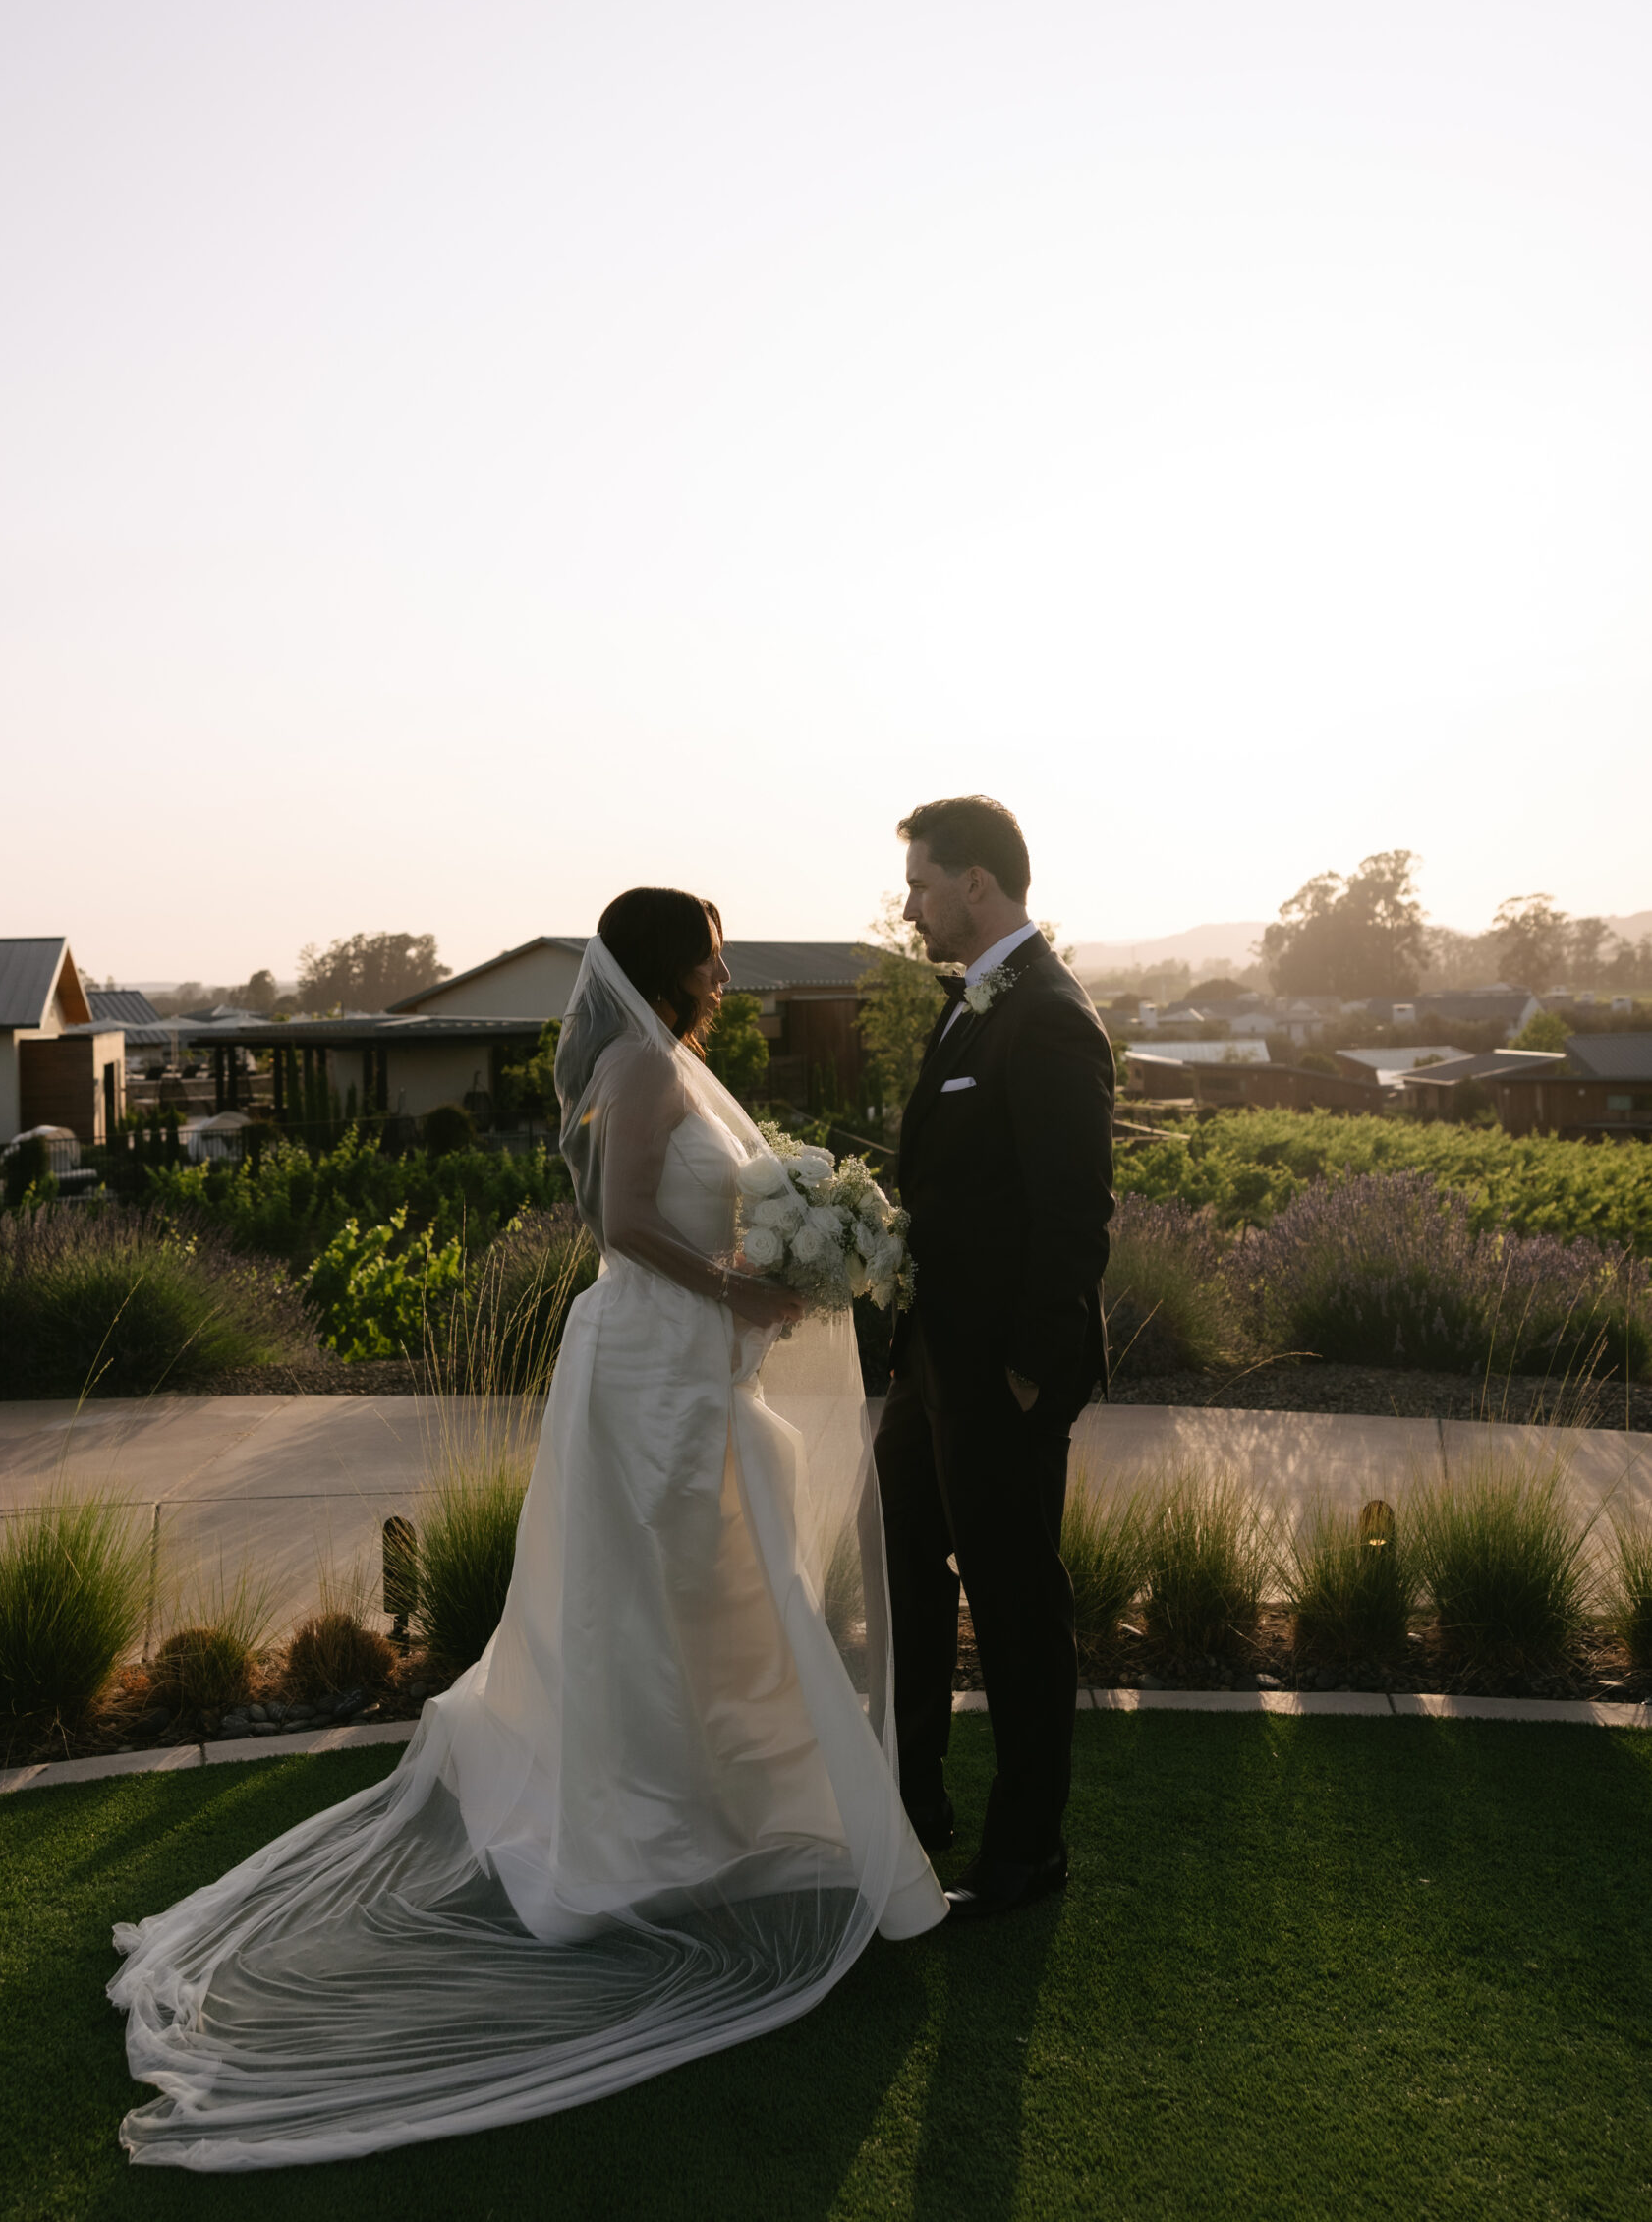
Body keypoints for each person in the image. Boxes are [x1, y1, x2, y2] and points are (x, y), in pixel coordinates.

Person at [109, 888, 944, 2170]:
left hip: (694, 1361)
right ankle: (631, 1830)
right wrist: (744, 1285)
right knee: (650, 1591)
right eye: (711, 958)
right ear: (667, 964)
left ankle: (708, 1806)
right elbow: (617, 1227)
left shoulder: (672, 1062)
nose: (723, 977)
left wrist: (786, 1263)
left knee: (715, 1586)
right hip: (651, 1364)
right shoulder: (638, 1063)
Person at [874, 798, 1115, 1918]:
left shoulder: (1050, 1016)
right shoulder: (971, 1007)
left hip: (999, 1376)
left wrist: (1027, 1371)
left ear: (977, 883)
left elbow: (1075, 1212)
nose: (910, 904)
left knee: (1016, 1605)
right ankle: (911, 1815)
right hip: (929, 1367)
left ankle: (1027, 1849)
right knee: (905, 1581)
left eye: (921, 883)